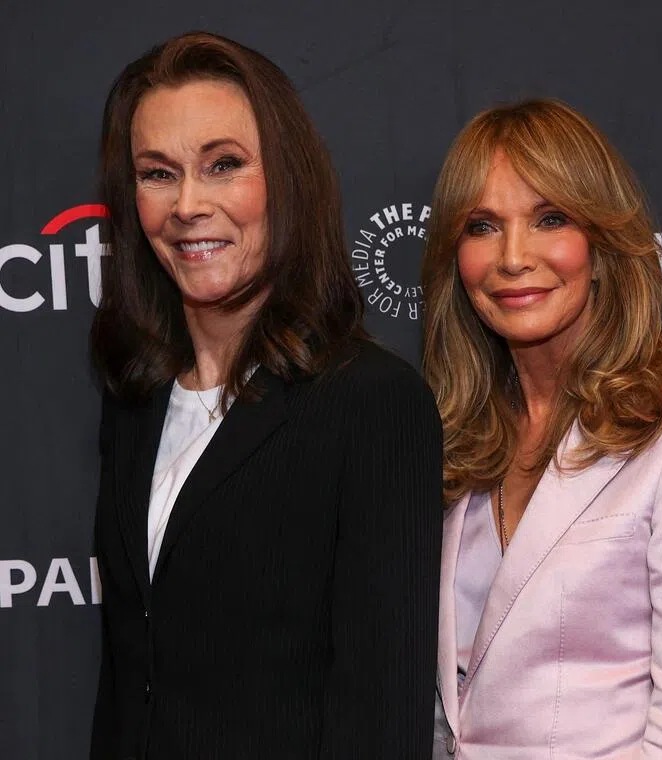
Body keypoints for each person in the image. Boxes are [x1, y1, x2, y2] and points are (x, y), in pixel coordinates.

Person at [89, 32, 441, 759]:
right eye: (157, 173)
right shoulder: (137, 400)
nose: (188, 205)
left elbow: (383, 713)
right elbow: (129, 681)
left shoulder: (372, 403)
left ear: (286, 178)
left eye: (223, 165)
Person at [421, 99, 662, 759]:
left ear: (603, 243)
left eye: (549, 218)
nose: (513, 257)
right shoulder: (454, 443)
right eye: (483, 226)